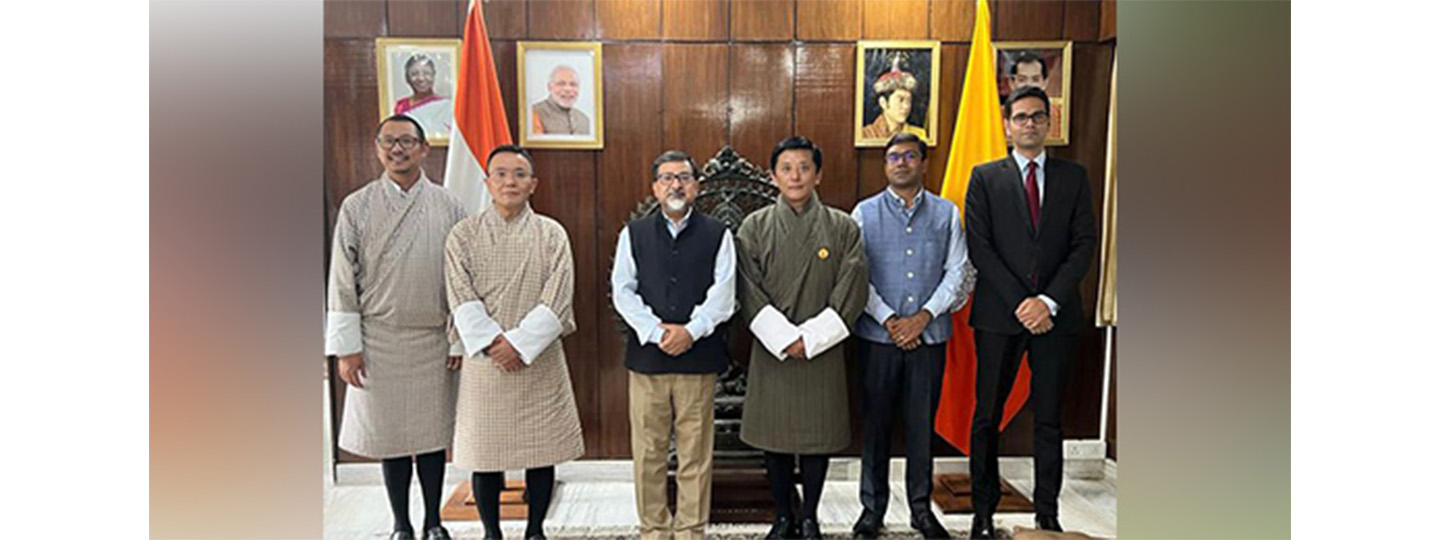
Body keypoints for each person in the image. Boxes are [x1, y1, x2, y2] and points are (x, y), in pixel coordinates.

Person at [326, 115, 470, 540]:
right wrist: (346, 347)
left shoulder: (449, 205)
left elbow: (463, 277)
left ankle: (433, 522)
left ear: (425, 149)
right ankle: (401, 524)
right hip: (377, 339)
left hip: (433, 337)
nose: (398, 149)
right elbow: (340, 278)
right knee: (390, 438)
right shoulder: (357, 206)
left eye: (407, 141)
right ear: (377, 149)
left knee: (430, 437)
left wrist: (458, 336)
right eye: (389, 141)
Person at [964, 87, 1096, 539]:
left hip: (1056, 318)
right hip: (1000, 315)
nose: (1029, 124)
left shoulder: (1073, 177)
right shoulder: (984, 177)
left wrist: (1048, 302)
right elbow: (980, 247)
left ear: (1048, 124)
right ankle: (983, 512)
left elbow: (1083, 246)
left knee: (1049, 418)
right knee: (986, 416)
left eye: (1038, 117)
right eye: (1020, 117)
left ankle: (1047, 513)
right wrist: (1023, 302)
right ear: (1007, 125)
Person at [444, 145, 584, 540]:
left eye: (520, 174)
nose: (510, 181)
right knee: (486, 456)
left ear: (533, 184)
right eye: (501, 174)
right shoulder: (463, 235)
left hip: (537, 358)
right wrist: (493, 343)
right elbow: (459, 295)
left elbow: (558, 297)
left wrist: (520, 344)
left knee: (541, 452)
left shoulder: (551, 234)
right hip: (485, 360)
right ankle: (491, 532)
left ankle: (535, 530)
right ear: (487, 182)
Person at [736, 136, 869, 540]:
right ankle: (782, 516)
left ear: (818, 174)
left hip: (821, 350)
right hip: (773, 349)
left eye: (804, 167)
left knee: (817, 438)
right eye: (787, 168)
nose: (795, 176)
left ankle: (809, 515)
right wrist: (783, 338)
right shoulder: (754, 227)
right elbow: (747, 289)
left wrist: (810, 339)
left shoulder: (843, 227)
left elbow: (853, 288)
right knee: (773, 438)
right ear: (774, 176)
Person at [849, 133, 971, 540]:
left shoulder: (946, 213)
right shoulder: (863, 213)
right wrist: (889, 320)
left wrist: (922, 317)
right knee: (877, 425)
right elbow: (856, 275)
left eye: (909, 156)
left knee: (922, 426)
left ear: (924, 163)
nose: (900, 163)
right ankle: (872, 510)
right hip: (876, 338)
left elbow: (957, 271)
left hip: (929, 336)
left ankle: (921, 510)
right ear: (885, 165)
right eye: (893, 157)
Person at [611, 151, 737, 540]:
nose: (675, 185)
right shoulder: (633, 233)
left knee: (694, 455)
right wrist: (656, 332)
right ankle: (653, 529)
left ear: (696, 186)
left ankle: (690, 531)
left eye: (683, 177)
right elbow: (622, 291)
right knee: (648, 452)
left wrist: (691, 331)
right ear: (654, 188)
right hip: (648, 360)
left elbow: (725, 293)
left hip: (697, 358)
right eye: (666, 178)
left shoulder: (719, 233)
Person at [862, 58, 927, 140]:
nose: (906, 106)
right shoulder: (867, 134)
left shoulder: (919, 135)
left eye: (909, 101)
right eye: (900, 100)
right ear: (883, 103)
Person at [393, 54, 453, 138]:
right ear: (407, 78)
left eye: (427, 73)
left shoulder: (446, 106)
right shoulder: (401, 105)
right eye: (414, 74)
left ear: (433, 75)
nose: (421, 78)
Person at [530, 65, 591, 136]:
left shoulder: (584, 120)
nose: (568, 89)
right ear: (549, 87)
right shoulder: (534, 114)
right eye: (561, 84)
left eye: (573, 84)